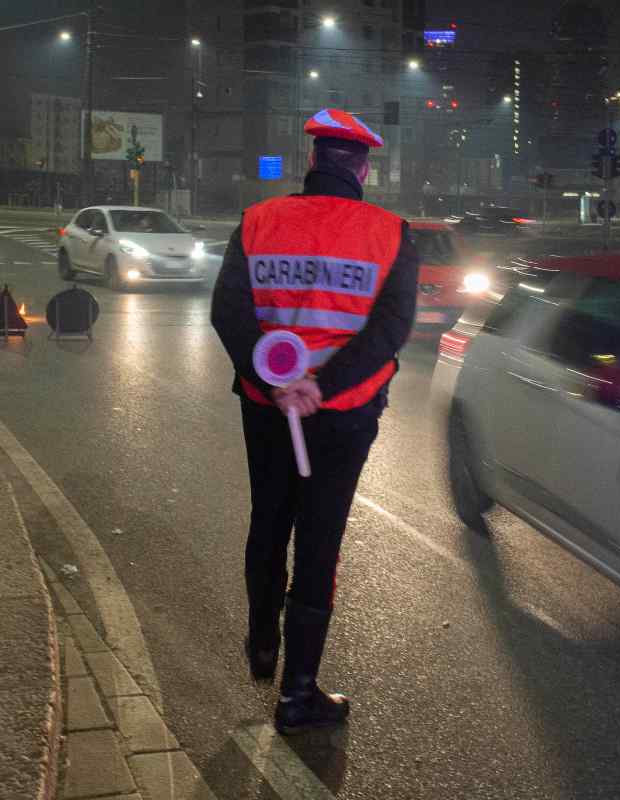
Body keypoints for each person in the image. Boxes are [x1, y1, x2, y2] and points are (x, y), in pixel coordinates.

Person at [211, 108, 418, 735]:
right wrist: (319, 386)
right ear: (361, 167)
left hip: (266, 406)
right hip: (343, 414)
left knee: (268, 518)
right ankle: (298, 694)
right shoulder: (391, 232)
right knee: (319, 538)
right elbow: (389, 331)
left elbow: (228, 312)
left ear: (312, 162)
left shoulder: (258, 221)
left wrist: (276, 382)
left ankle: (261, 641)